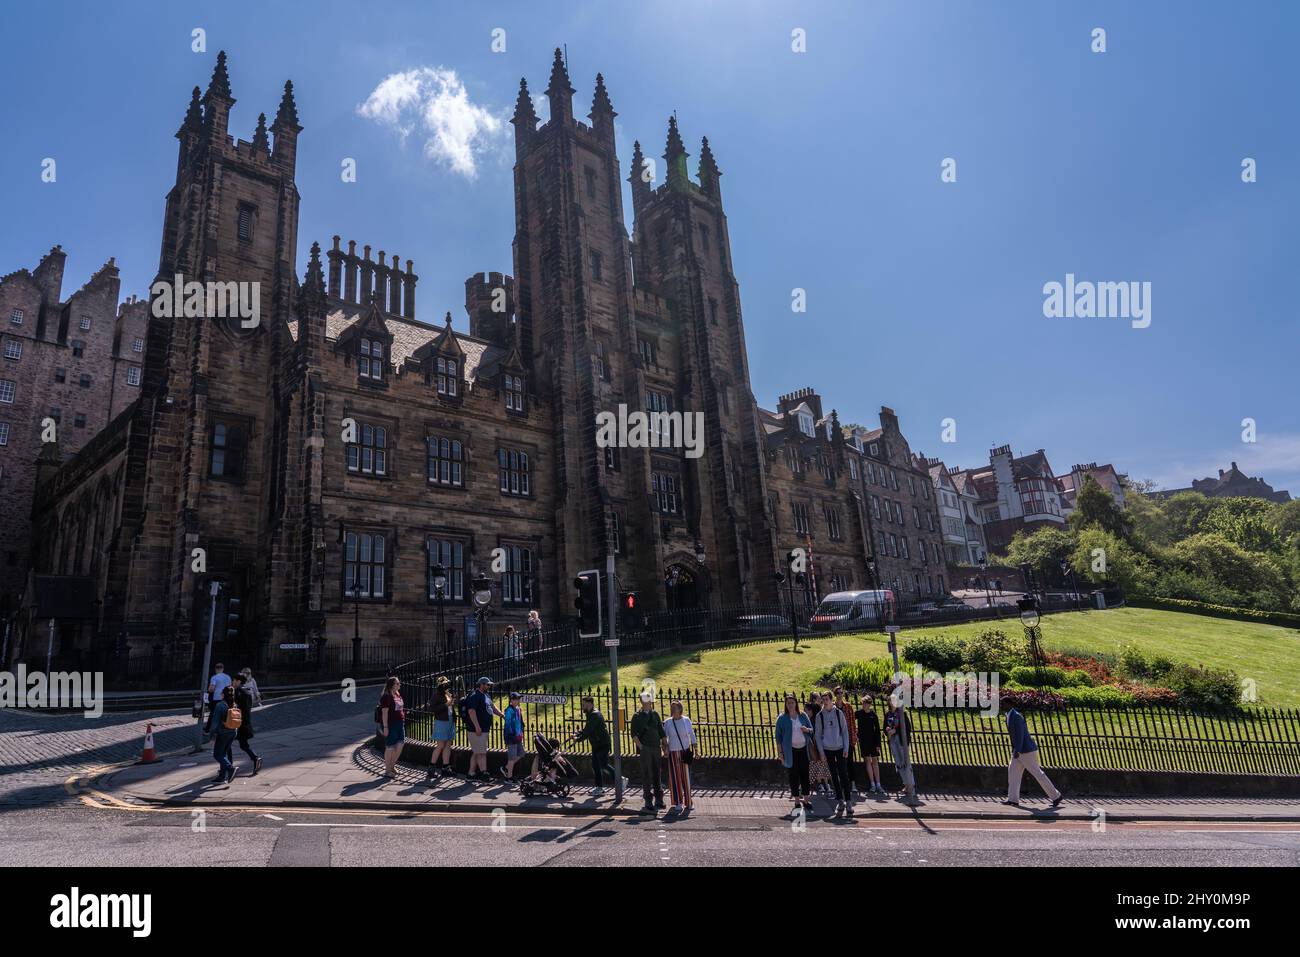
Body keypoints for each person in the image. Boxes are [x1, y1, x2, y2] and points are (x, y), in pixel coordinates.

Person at [1003, 706, 1064, 807]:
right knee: (1013, 773)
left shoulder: (1016, 716)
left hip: (1026, 751)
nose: (1001, 705)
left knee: (1038, 774)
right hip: (1018, 751)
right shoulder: (1009, 715)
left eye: (1003, 703)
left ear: (1009, 704)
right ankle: (1013, 799)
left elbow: (1020, 734)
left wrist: (1017, 750)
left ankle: (1056, 796)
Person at [815, 687, 853, 817]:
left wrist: (846, 748)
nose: (825, 702)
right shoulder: (819, 716)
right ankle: (840, 801)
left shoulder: (838, 713)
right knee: (834, 776)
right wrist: (821, 753)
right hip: (828, 749)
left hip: (840, 748)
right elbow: (818, 735)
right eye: (823, 700)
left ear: (832, 700)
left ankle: (848, 801)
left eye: (827, 699)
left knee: (844, 775)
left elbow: (845, 731)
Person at [774, 694, 814, 812]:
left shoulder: (802, 715)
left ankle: (806, 800)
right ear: (786, 705)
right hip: (790, 751)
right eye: (788, 703)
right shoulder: (782, 718)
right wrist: (780, 753)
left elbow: (812, 730)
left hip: (803, 750)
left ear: (796, 703)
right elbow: (778, 737)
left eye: (792, 702)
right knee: (793, 776)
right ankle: (797, 801)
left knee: (805, 775)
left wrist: (806, 730)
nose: (790, 705)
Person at [630, 692, 666, 813]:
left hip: (656, 747)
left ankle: (659, 800)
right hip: (646, 749)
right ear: (642, 701)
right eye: (646, 699)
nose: (649, 702)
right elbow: (634, 734)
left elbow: (661, 732)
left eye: (650, 700)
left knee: (657, 774)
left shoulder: (655, 714)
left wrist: (664, 747)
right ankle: (648, 800)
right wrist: (641, 747)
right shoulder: (637, 716)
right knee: (647, 774)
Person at [571, 695, 613, 792]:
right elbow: (587, 729)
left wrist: (578, 739)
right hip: (596, 744)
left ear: (589, 704)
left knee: (603, 764)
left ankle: (619, 779)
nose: (582, 706)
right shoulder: (590, 714)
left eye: (583, 704)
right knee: (596, 765)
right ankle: (599, 788)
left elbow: (588, 731)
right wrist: (577, 734)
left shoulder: (595, 715)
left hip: (602, 743)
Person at [465, 677, 503, 781]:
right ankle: (484, 775)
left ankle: (471, 774)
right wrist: (477, 726)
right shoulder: (474, 696)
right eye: (487, 684)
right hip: (476, 730)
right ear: (481, 684)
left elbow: (492, 707)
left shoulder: (485, 695)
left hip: (483, 729)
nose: (489, 686)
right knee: (482, 753)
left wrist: (501, 715)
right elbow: (471, 711)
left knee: (477, 752)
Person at [664, 699, 696, 815]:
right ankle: (678, 802)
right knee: (675, 778)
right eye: (672, 708)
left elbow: (691, 734)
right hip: (673, 752)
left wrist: (696, 750)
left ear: (680, 709)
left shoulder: (686, 720)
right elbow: (664, 738)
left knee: (686, 778)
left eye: (675, 708)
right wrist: (665, 750)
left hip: (684, 751)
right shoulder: (668, 722)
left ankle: (689, 802)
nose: (673, 710)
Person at [884, 695, 916, 803]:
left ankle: (911, 786)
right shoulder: (887, 714)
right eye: (891, 701)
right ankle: (906, 785)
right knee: (899, 764)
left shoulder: (902, 714)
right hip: (893, 742)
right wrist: (887, 730)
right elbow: (885, 728)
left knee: (906, 762)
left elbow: (907, 729)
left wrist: (896, 731)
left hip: (902, 742)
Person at [231, 673, 262, 776]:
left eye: (234, 680)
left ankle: (228, 767)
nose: (233, 682)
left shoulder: (238, 692)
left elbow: (234, 707)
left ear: (239, 681)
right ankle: (255, 759)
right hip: (245, 722)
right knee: (243, 745)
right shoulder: (247, 692)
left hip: (237, 722)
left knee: (226, 745)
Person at [427, 676, 456, 778]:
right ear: (440, 685)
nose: (447, 685)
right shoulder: (436, 695)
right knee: (440, 745)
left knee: (448, 745)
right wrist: (446, 704)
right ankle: (431, 768)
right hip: (442, 721)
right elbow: (432, 708)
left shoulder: (447, 694)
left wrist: (451, 701)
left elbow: (450, 706)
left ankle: (445, 768)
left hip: (449, 720)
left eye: (447, 684)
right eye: (444, 684)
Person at [210, 685, 240, 784]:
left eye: (221, 692)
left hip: (223, 733)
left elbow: (215, 723)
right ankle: (222, 776)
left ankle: (230, 768)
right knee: (223, 754)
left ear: (223, 694)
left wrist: (212, 736)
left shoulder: (220, 705)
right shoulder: (234, 704)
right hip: (232, 732)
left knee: (217, 754)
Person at [833, 686, 859, 795]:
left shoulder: (848, 706)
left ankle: (852, 784)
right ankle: (842, 784)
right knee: (839, 763)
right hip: (837, 739)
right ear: (835, 694)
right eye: (838, 693)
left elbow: (852, 722)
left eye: (841, 693)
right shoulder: (832, 707)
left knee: (850, 762)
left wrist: (854, 736)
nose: (840, 695)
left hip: (848, 737)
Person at [855, 694, 883, 794]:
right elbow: (851, 721)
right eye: (863, 703)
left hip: (873, 740)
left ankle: (878, 784)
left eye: (866, 703)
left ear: (869, 704)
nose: (864, 705)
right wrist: (855, 732)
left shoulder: (873, 715)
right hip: (863, 740)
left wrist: (878, 744)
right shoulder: (859, 713)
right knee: (867, 760)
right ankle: (872, 784)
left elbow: (877, 730)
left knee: (875, 761)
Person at [378, 676, 405, 778]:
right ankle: (387, 770)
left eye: (399, 683)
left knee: (400, 744)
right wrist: (385, 727)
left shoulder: (397, 694)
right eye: (397, 683)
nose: (399, 685)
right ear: (392, 685)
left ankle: (392, 766)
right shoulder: (386, 697)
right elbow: (385, 713)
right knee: (390, 747)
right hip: (391, 724)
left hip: (400, 723)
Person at [805, 696, 831, 796]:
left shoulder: (815, 720)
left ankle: (825, 784)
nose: (805, 712)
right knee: (817, 764)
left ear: (811, 711)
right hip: (814, 746)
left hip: (818, 745)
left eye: (806, 710)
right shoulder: (810, 720)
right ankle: (822, 784)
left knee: (821, 764)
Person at [501, 691, 526, 779]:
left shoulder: (518, 709)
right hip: (511, 737)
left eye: (519, 698)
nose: (519, 700)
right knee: (511, 758)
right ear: (511, 700)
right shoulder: (509, 710)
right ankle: (509, 777)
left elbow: (520, 722)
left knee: (522, 753)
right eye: (517, 699)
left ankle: (506, 768)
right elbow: (507, 725)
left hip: (518, 736)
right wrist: (511, 735)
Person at [204, 663, 232, 736]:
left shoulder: (214, 677)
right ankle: (223, 730)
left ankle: (208, 730)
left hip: (217, 698)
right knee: (224, 714)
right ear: (222, 669)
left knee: (213, 714)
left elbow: (211, 689)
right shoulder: (228, 677)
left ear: (216, 669)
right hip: (226, 698)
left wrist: (209, 690)